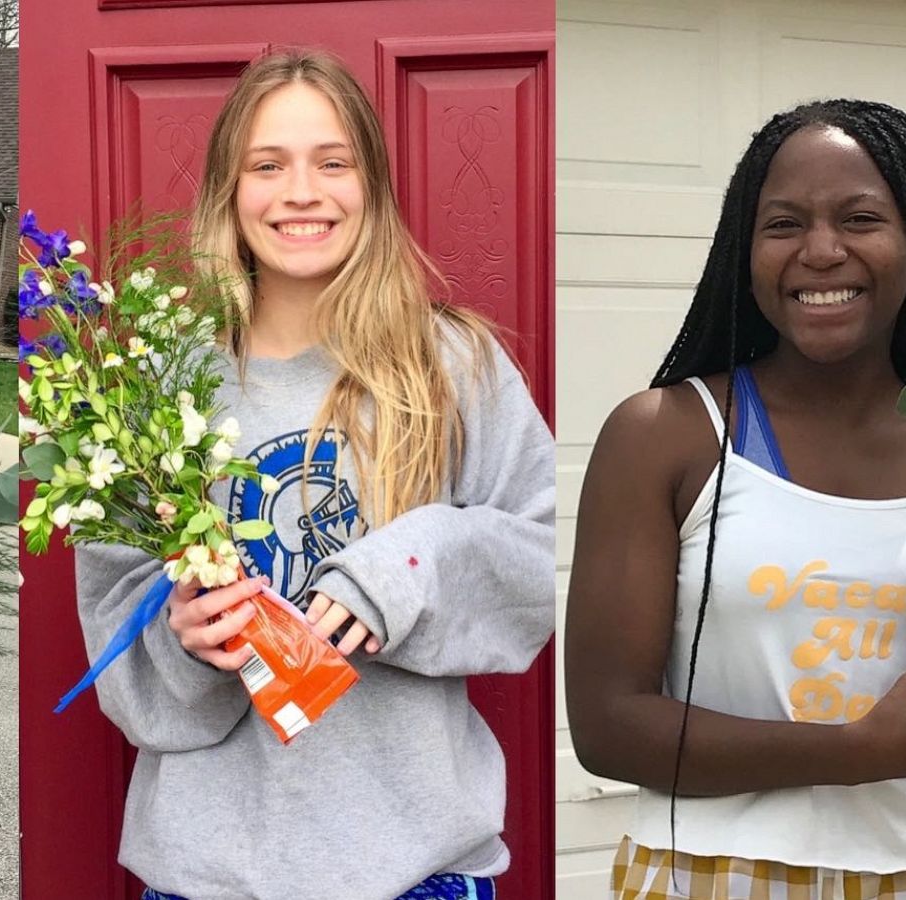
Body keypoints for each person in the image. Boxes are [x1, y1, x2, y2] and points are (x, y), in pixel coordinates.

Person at [71, 49, 556, 900]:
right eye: (269, 165)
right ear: (229, 189)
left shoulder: (454, 365)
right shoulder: (148, 390)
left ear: (372, 185)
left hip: (419, 873)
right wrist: (184, 635)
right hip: (207, 878)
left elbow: (544, 564)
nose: (302, 192)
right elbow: (121, 650)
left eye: (333, 162)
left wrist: (403, 568)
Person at [563, 99, 906, 899]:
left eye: (861, 218)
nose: (822, 251)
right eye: (784, 224)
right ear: (746, 249)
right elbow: (607, 728)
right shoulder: (666, 435)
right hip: (710, 874)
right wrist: (867, 747)